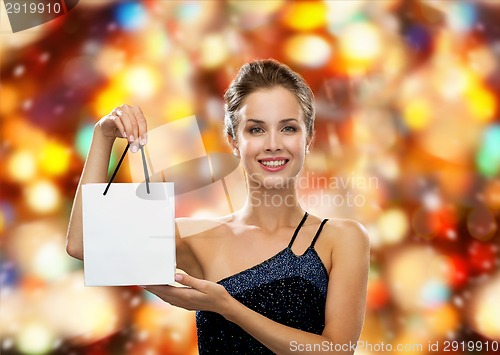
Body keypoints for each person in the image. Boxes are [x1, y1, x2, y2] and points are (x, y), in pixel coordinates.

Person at [66, 59, 369, 354]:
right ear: (233, 140)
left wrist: (226, 307)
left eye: (288, 128)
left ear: (309, 138)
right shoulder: (198, 237)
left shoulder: (342, 238)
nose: (273, 143)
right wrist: (103, 136)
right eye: (256, 129)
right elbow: (83, 244)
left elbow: (336, 351)